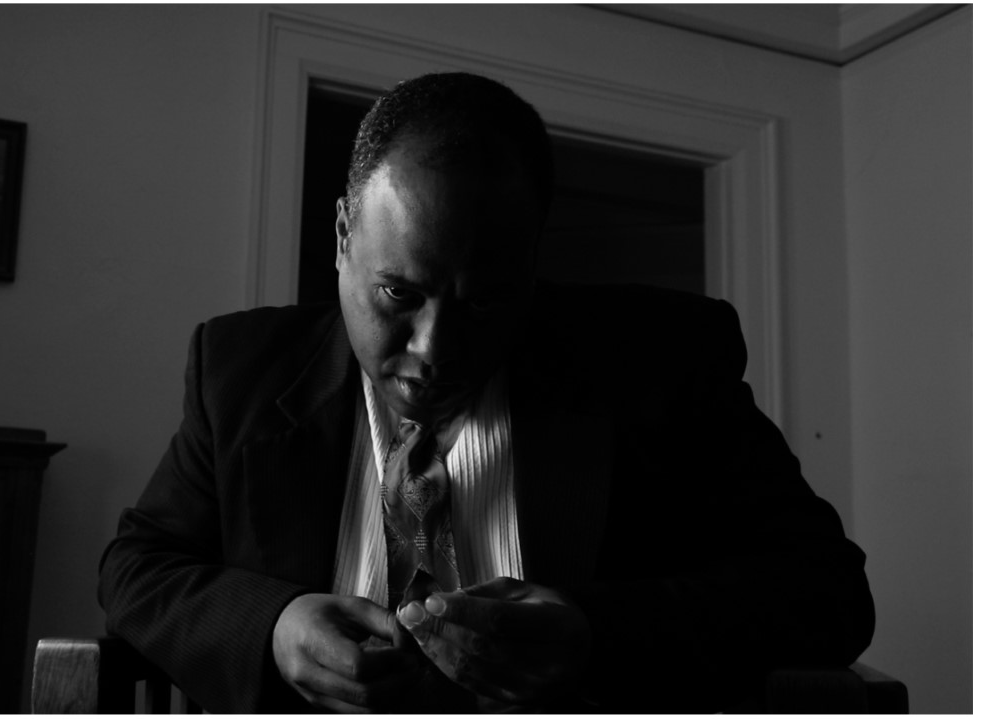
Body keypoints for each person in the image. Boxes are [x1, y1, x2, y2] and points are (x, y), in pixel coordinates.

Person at [98, 72, 874, 713]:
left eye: (485, 301)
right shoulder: (238, 370)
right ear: (341, 238)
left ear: (533, 262)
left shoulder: (664, 364)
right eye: (399, 295)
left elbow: (828, 592)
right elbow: (137, 567)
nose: (433, 351)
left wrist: (598, 636)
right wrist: (269, 626)